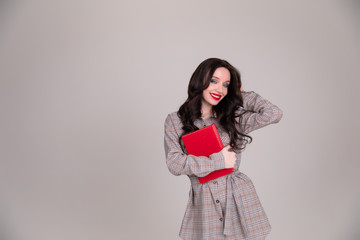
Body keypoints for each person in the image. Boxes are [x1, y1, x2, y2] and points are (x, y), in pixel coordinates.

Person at [164, 58, 283, 240]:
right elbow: (174, 163)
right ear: (200, 80)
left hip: (239, 198)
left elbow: (273, 113)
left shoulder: (232, 117)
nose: (220, 89)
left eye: (226, 85)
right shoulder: (175, 121)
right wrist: (219, 161)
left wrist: (239, 94)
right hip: (204, 205)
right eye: (214, 81)